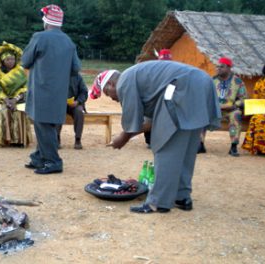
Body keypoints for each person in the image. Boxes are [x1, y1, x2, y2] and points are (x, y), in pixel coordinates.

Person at [91, 61, 221, 214]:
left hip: (180, 88)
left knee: (165, 148)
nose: (112, 99)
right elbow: (149, 122)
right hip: (202, 83)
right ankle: (182, 197)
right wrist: (127, 135)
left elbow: (133, 119)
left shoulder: (124, 81)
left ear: (112, 84)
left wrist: (122, 139)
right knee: (186, 149)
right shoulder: (141, 78)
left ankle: (158, 202)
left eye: (107, 94)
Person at [21, 4, 81, 174]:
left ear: (45, 21)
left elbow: (25, 61)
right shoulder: (68, 41)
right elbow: (76, 68)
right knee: (46, 125)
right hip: (59, 93)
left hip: (41, 91)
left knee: (43, 125)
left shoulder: (39, 37)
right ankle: (39, 157)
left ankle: (54, 162)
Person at [198, 57, 247, 156]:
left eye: (222, 67)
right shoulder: (212, 81)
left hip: (230, 110)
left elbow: (244, 99)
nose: (219, 69)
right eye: (217, 67)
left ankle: (233, 147)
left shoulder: (238, 82)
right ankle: (200, 144)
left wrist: (234, 105)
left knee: (236, 115)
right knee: (201, 114)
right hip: (214, 109)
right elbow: (204, 96)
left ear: (229, 68)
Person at [0, 42, 32, 148]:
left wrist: (15, 99)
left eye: (12, 59)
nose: (10, 61)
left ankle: (19, 140)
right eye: (8, 59)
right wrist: (6, 99)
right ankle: (5, 140)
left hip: (19, 99)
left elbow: (25, 88)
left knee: (19, 111)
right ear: (3, 61)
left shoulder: (20, 71)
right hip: (2, 99)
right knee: (3, 111)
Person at [57, 73, 88, 149]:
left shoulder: (78, 77)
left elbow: (84, 92)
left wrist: (77, 101)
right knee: (56, 111)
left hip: (75, 104)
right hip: (60, 104)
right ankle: (56, 139)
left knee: (79, 112)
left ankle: (78, 139)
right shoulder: (57, 75)